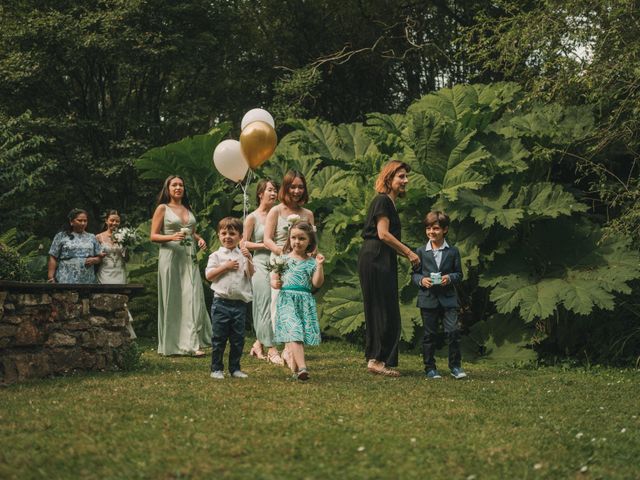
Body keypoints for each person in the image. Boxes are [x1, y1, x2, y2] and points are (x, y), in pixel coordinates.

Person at [358, 160, 420, 377]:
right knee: (380, 308)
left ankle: (378, 358)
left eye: (405, 177)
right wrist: (409, 253)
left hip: (380, 256)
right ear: (389, 179)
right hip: (375, 256)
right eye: (401, 176)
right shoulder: (382, 201)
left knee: (385, 306)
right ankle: (376, 360)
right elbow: (383, 234)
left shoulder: (389, 203)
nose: (405, 181)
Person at [150, 175, 211, 356]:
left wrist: (198, 239)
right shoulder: (163, 208)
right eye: (174, 185)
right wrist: (171, 237)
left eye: (181, 185)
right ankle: (175, 344)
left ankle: (193, 342)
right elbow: (153, 236)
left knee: (192, 297)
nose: (178, 187)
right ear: (167, 188)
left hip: (189, 257)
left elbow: (191, 232)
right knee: (175, 298)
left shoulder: (187, 208)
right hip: (171, 257)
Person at [263, 170, 314, 369]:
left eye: (300, 187)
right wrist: (282, 252)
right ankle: (287, 346)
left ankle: (291, 349)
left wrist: (311, 257)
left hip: (301, 263)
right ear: (286, 188)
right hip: (281, 262)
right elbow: (267, 239)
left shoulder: (308, 214)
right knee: (279, 305)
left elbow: (312, 241)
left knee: (299, 305)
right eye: (292, 186)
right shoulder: (276, 211)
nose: (296, 190)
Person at [411, 211, 466, 379]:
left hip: (448, 298)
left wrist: (449, 278)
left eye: (435, 228)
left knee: (453, 332)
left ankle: (455, 367)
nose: (431, 232)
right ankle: (430, 368)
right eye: (428, 228)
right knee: (429, 335)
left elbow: (459, 274)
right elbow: (414, 275)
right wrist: (422, 281)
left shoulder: (453, 251)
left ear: (445, 230)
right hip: (428, 299)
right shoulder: (420, 251)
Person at [272, 221, 324, 381]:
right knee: (294, 331)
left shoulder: (312, 262)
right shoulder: (283, 259)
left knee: (298, 335)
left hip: (304, 300)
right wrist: (276, 283)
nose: (297, 242)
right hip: (287, 299)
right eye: (293, 237)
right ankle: (303, 368)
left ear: (309, 241)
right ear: (289, 238)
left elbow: (317, 283)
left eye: (302, 238)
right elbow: (275, 280)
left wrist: (320, 266)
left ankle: (296, 369)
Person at [205, 217, 254, 379]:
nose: (228, 236)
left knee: (237, 339)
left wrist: (249, 258)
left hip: (239, 304)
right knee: (219, 338)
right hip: (221, 303)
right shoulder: (216, 256)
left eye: (232, 233)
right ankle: (216, 368)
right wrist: (225, 267)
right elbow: (209, 275)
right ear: (219, 235)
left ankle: (235, 368)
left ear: (240, 237)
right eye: (224, 233)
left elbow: (251, 274)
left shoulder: (243, 255)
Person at [242, 178, 281, 363]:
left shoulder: (279, 214)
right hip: (259, 262)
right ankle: (272, 349)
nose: (274, 194)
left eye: (275, 191)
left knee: (274, 304)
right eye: (270, 190)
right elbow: (243, 242)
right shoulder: (252, 217)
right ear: (260, 194)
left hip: (277, 264)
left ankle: (258, 344)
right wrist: (264, 244)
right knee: (263, 303)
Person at [96, 209, 136, 339]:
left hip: (119, 271)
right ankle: (105, 329)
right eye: (112, 220)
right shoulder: (98, 237)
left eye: (117, 221)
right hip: (105, 271)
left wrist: (127, 245)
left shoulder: (124, 236)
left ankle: (123, 333)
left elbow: (127, 259)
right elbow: (94, 255)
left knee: (120, 299)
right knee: (105, 297)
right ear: (106, 220)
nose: (114, 223)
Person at [47, 208, 105, 284]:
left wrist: (95, 260)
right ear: (71, 222)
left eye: (85, 221)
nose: (83, 223)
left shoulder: (92, 237)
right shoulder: (61, 236)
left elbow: (100, 257)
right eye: (80, 220)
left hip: (87, 279)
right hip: (65, 279)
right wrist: (50, 277)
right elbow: (53, 256)